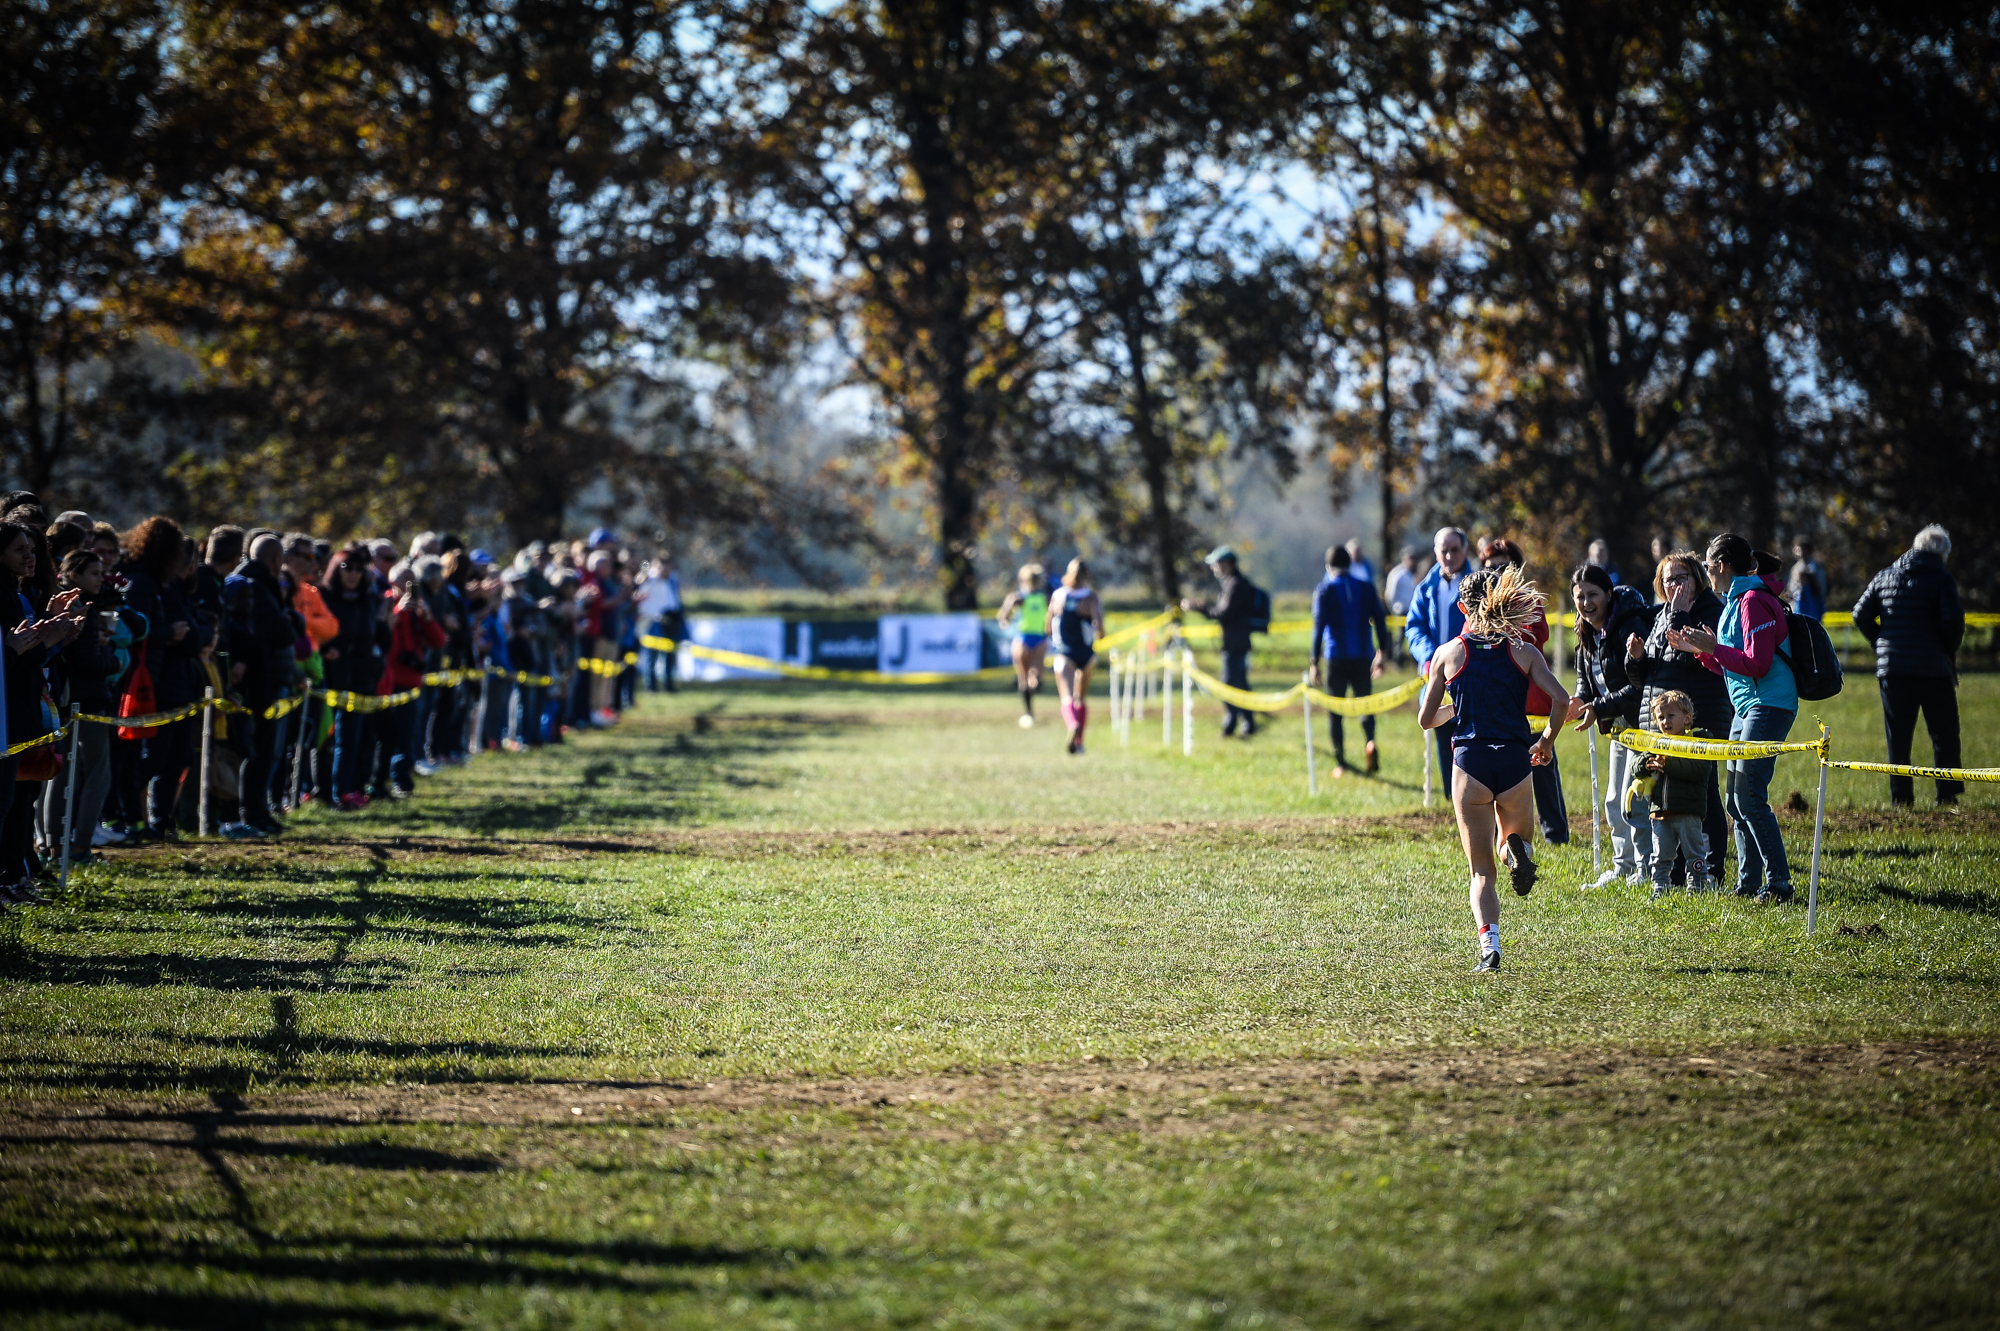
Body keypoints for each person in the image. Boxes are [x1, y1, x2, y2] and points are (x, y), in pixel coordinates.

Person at [1416, 566, 1570, 973]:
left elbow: (1426, 719)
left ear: (1462, 608)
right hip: (1515, 761)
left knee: (1481, 871)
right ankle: (1516, 852)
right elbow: (1561, 699)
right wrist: (1546, 742)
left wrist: (1459, 708)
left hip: (1471, 765)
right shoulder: (1524, 650)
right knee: (1516, 842)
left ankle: (1490, 948)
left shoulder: (1448, 653)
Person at [1666, 533, 1797, 904]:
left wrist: (1714, 648)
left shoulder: (1753, 601)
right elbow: (1731, 666)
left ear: (1721, 565)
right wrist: (1701, 651)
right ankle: (1748, 883)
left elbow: (1759, 664)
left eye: (1708, 566)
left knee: (1751, 797)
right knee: (1736, 802)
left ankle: (1779, 883)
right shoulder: (1734, 602)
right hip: (1746, 706)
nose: (1707, 573)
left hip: (1769, 704)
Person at [1624, 552, 1731, 885]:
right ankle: (1678, 872)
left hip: (1698, 719)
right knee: (1671, 797)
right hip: (1662, 722)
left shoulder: (1709, 611)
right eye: (1667, 579)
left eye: (1680, 578)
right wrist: (1636, 659)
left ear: (1697, 578)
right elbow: (1649, 675)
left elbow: (1688, 660)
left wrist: (1680, 615)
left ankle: (1710, 870)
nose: (1673, 585)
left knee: (1703, 795)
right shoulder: (1663, 614)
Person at [1852, 524, 1966, 808]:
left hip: (1892, 669)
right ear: (1942, 553)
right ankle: (1947, 796)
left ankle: (1901, 800)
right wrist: (1947, 649)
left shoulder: (1885, 575)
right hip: (1933, 668)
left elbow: (1860, 614)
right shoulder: (1942, 580)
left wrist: (1881, 642)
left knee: (1898, 737)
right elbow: (1953, 621)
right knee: (1944, 734)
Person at [1568, 563, 1653, 888]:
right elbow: (1585, 677)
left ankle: (1646, 870)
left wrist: (1598, 707)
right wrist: (1579, 700)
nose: (1586, 603)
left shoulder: (1628, 625)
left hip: (1642, 725)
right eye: (1579, 597)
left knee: (1634, 801)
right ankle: (1624, 867)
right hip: (1619, 728)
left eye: (1593, 595)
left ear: (1608, 593)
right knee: (1614, 801)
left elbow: (1639, 686)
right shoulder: (1585, 629)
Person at [1480, 538, 1568, 845]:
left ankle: (1556, 834)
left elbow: (1534, 637)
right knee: (1491, 775)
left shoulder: (1530, 600)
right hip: (1495, 706)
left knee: (1542, 768)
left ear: (1516, 568)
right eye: (1490, 568)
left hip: (1531, 701)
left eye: (1503, 566)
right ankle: (1495, 836)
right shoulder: (1478, 605)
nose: (1496, 573)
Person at [1309, 545, 1391, 776]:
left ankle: (1340, 762)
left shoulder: (1324, 590)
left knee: (1335, 711)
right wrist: (1382, 652)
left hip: (1336, 657)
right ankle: (1370, 741)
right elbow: (1380, 620)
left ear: (1328, 567)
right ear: (1350, 564)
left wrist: (1314, 661)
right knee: (1365, 704)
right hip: (1363, 655)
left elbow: (1318, 627)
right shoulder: (1366, 587)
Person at [1633, 690, 1714, 899]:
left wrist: (1667, 765)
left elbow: (1700, 770)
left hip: (1688, 811)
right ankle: (1660, 886)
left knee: (1694, 853)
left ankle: (1697, 887)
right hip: (1660, 812)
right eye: (1660, 717)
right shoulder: (1656, 743)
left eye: (1671, 716)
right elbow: (1635, 766)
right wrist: (1646, 763)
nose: (1665, 722)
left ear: (1687, 719)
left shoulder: (1697, 741)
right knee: (1660, 855)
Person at [1405, 527, 1472, 778]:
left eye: (1455, 550)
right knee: (1444, 742)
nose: (1449, 556)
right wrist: (1430, 657)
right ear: (1436, 553)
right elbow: (1414, 627)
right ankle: (1449, 794)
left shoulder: (1476, 585)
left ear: (1465, 550)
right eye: (1444, 551)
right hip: (1436, 678)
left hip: (1469, 674)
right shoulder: (1426, 588)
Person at [1182, 546, 1260, 738]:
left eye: (1216, 564)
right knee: (1239, 683)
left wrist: (1200, 609)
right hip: (1235, 641)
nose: (1213, 568)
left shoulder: (1235, 585)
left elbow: (1224, 613)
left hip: (1235, 643)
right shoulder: (1233, 583)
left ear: (1227, 564)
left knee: (1229, 683)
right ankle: (1247, 723)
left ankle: (1232, 723)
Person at [1047, 558, 1104, 754]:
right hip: (1087, 654)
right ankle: (1079, 743)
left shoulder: (1058, 595)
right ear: (1087, 575)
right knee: (1081, 698)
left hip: (1065, 653)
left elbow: (1048, 627)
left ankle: (1072, 724)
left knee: (1067, 697)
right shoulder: (1091, 597)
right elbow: (1099, 627)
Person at [995, 563, 1050, 728]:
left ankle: (1028, 713)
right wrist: (1005, 617)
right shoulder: (1034, 597)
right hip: (1030, 638)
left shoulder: (1028, 597)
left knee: (1026, 680)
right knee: (1032, 679)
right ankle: (1029, 713)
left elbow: (1004, 613)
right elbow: (1005, 611)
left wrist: (1005, 618)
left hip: (1030, 639)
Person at [634, 554, 682, 694]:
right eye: (662, 568)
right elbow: (640, 588)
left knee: (670, 655)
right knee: (651, 656)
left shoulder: (672, 580)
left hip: (670, 620)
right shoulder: (649, 579)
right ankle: (651, 686)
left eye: (668, 568)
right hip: (653, 622)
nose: (665, 571)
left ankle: (668, 684)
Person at [1788, 537, 1829, 622]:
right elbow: (1791, 587)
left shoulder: (1816, 566)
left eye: (1802, 549)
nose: (1800, 552)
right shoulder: (1796, 567)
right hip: (1798, 602)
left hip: (1813, 602)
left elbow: (1822, 586)